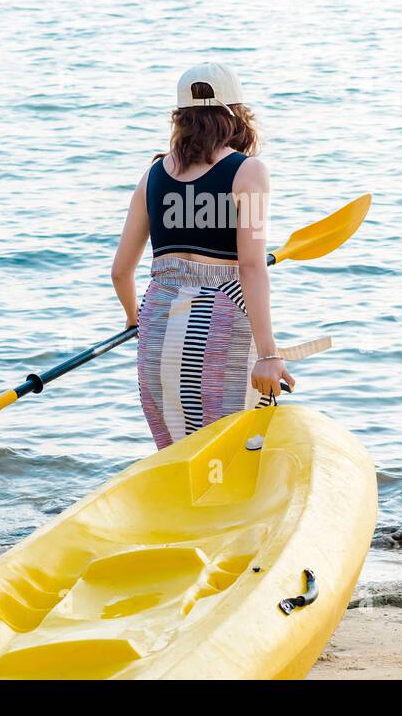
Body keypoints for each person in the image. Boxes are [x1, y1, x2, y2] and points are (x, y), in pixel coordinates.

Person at [112, 62, 292, 449]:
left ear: (181, 117)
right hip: (222, 320)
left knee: (177, 452)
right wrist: (268, 355)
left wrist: (134, 321)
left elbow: (121, 272)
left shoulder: (153, 175)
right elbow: (250, 267)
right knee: (237, 446)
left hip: (157, 323)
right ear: (237, 116)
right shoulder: (249, 172)